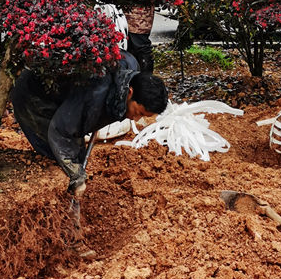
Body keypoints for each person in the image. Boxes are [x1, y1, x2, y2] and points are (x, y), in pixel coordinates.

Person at [11, 50, 168, 195]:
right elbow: (60, 132)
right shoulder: (95, 96)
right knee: (56, 157)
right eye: (138, 112)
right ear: (130, 93)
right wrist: (75, 175)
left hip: (70, 94)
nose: (135, 119)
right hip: (33, 96)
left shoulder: (130, 68)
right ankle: (56, 200)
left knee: (76, 152)